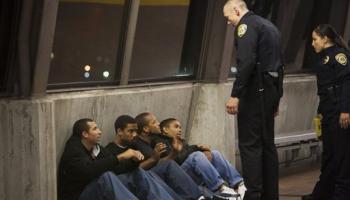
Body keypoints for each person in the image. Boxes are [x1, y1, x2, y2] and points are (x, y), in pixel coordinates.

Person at [223, 0, 284, 200]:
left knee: (250, 145)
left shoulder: (246, 26)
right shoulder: (269, 26)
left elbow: (247, 62)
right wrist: (276, 99)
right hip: (270, 90)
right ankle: (270, 194)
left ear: (237, 10)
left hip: (255, 90)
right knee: (267, 144)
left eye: (229, 17)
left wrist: (235, 94)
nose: (229, 22)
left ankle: (253, 194)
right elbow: (280, 66)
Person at [57, 118, 177, 200]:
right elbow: (88, 171)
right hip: (78, 196)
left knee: (136, 173)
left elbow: (117, 168)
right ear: (85, 134)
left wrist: (133, 161)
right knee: (106, 177)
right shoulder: (73, 150)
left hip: (94, 189)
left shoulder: (96, 148)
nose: (99, 131)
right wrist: (121, 156)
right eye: (94, 129)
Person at [106, 114, 211, 200]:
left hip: (149, 175)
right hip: (131, 182)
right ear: (119, 131)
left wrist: (173, 152)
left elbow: (159, 164)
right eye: (130, 131)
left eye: (135, 131)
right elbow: (123, 176)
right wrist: (153, 159)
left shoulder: (138, 144)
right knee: (143, 174)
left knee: (168, 165)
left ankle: (200, 197)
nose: (134, 135)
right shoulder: (110, 150)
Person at [302, 24, 350, 200]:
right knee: (329, 155)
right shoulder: (322, 59)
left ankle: (342, 194)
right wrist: (320, 113)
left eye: (315, 39)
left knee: (342, 157)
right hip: (329, 114)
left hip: (340, 114)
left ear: (325, 39)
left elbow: (346, 84)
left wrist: (345, 110)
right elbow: (323, 91)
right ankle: (324, 192)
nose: (313, 43)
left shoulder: (340, 56)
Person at [159, 118, 246, 198]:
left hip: (190, 174)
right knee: (196, 156)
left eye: (180, 127)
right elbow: (176, 161)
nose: (180, 130)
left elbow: (188, 154)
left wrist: (202, 150)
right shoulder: (161, 142)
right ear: (165, 129)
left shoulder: (181, 141)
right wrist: (197, 150)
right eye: (176, 127)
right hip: (177, 177)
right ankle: (220, 188)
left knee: (214, 154)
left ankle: (239, 184)